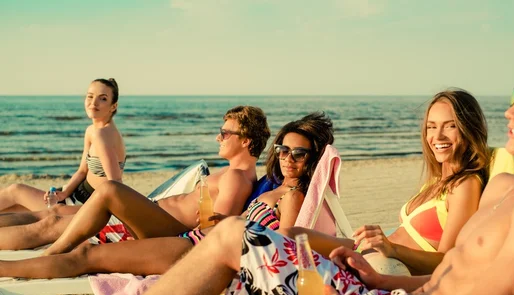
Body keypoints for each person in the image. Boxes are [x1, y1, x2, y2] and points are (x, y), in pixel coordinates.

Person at [1, 46, 514, 295]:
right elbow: (459, 279)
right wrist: (384, 281)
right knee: (237, 235)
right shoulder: (513, 190)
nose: (511, 111)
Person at [0, 112, 335, 278]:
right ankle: (37, 257)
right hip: (189, 240)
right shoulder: (272, 187)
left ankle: (44, 256)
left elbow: (287, 242)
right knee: (61, 226)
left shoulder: (275, 191)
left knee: (101, 202)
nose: (289, 158)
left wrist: (351, 247)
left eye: (299, 153)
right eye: (284, 150)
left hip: (192, 246)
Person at [0, 105, 270, 251]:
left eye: (225, 133)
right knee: (56, 212)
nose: (218, 138)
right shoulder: (233, 174)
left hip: (154, 231)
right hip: (149, 217)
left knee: (51, 226)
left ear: (245, 141)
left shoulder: (235, 177)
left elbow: (214, 232)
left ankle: (52, 254)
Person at [287, 89, 490, 275]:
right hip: (365, 252)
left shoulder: (465, 185)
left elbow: (448, 261)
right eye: (431, 126)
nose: (437, 136)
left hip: (383, 268)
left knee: (287, 247)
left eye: (450, 126)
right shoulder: (437, 182)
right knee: (291, 235)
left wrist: (392, 249)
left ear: (468, 129)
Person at [0, 78, 126, 216]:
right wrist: (63, 193)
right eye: (90, 96)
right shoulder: (92, 130)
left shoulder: (103, 135)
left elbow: (115, 184)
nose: (93, 103)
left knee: (15, 191)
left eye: (102, 99)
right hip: (75, 194)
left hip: (85, 204)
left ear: (113, 106)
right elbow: (82, 171)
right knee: (14, 208)